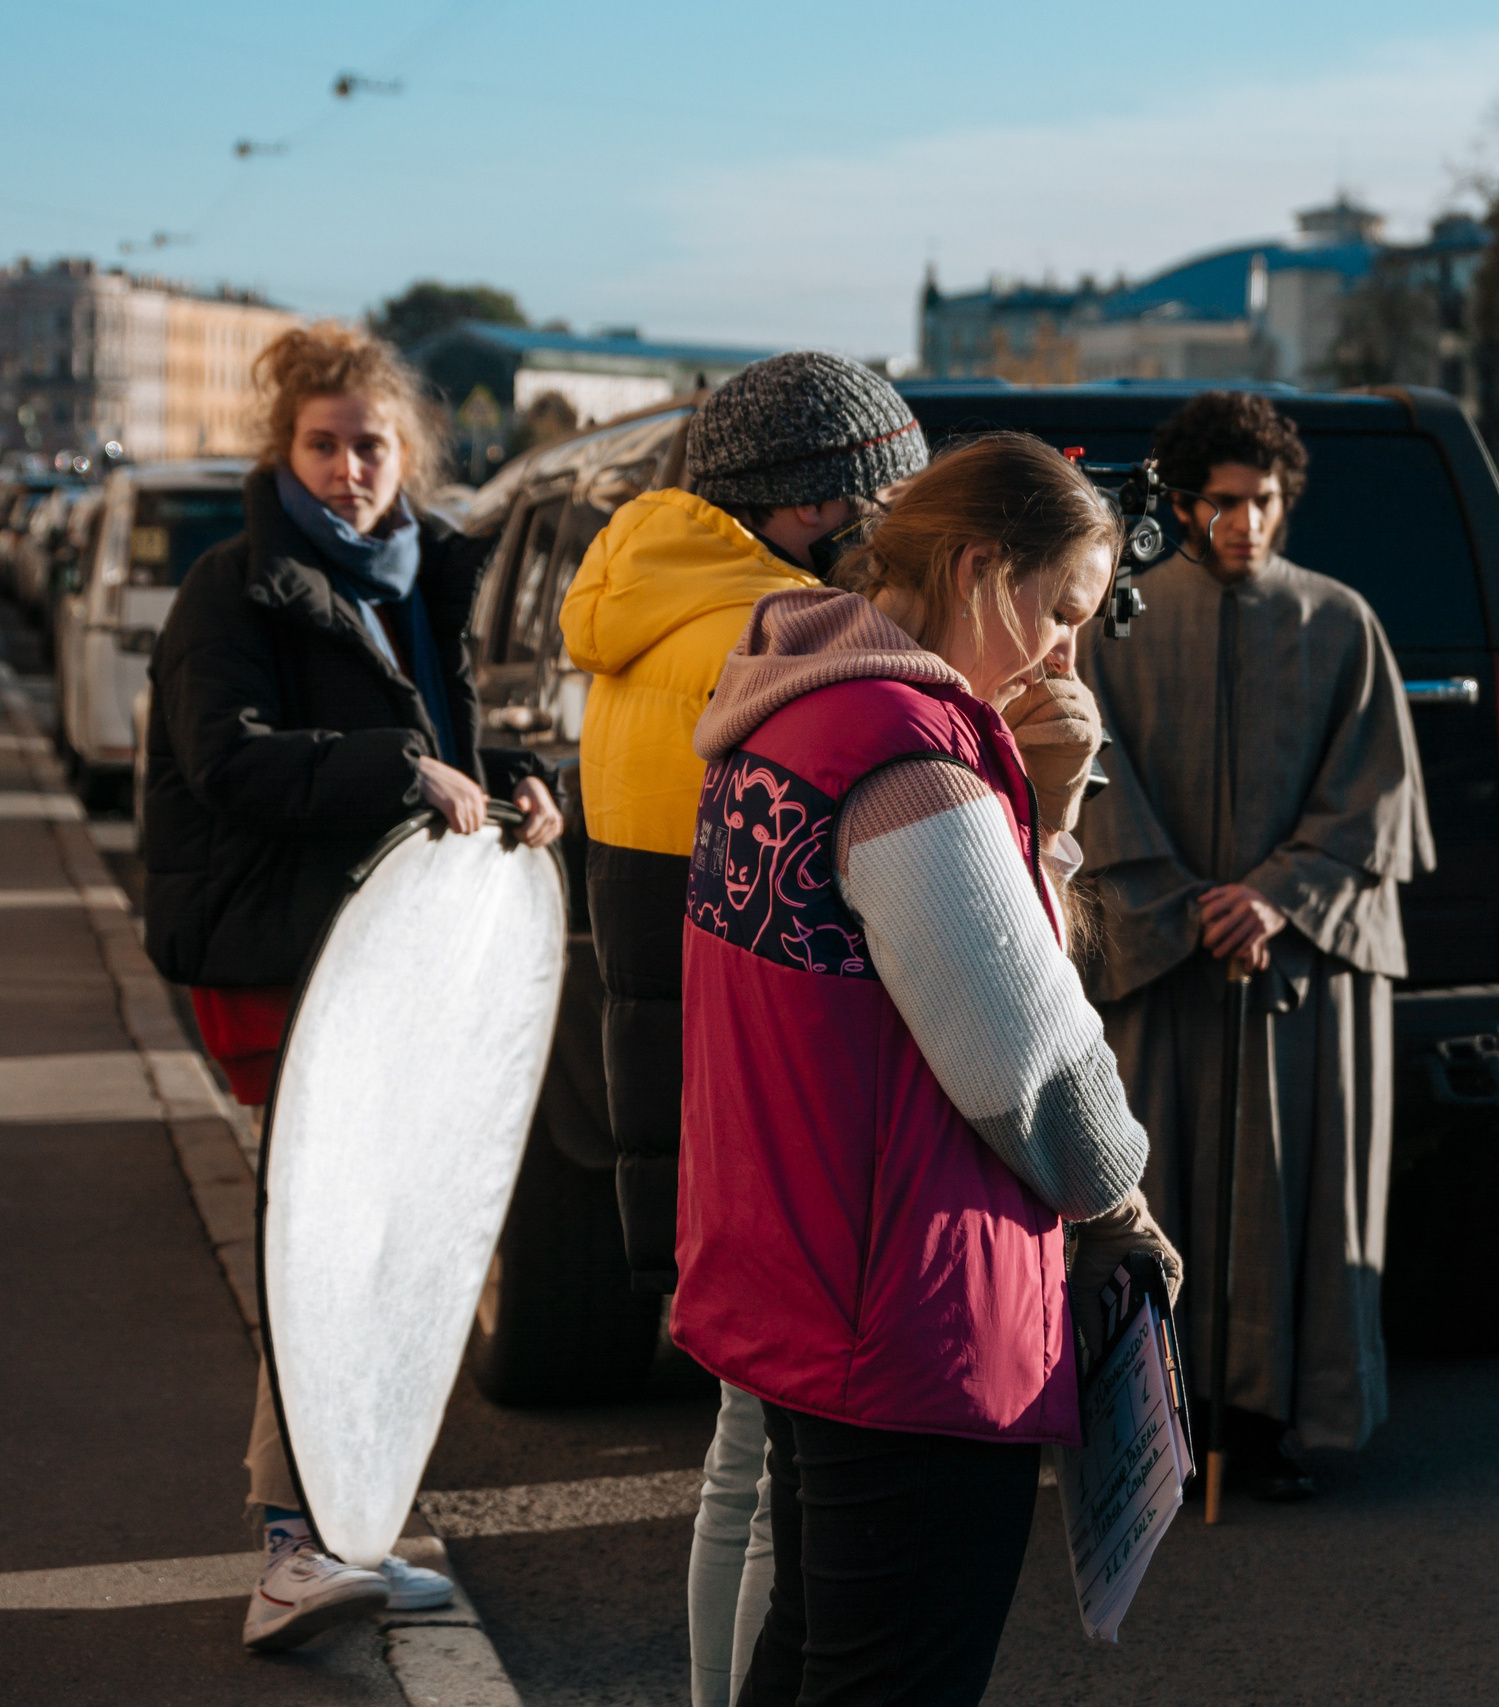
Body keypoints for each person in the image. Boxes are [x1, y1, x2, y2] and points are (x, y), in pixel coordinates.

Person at [671, 432, 1180, 1707]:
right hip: (908, 1306)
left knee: (816, 1653)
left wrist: (1045, 814)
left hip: (804, 1266)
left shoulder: (788, 706)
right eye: (1060, 610)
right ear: (975, 569)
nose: (1069, 650)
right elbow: (1031, 1053)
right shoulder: (905, 758)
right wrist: (1117, 1198)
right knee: (892, 1671)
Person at [140, 321, 564, 1651]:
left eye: (369, 443)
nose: (346, 469)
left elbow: (472, 738)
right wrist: (398, 767)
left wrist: (524, 797)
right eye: (320, 445)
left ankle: (340, 1532)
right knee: (328, 1227)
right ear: (285, 448)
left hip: (392, 947)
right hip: (275, 946)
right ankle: (292, 1542)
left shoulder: (433, 569)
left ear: (407, 451)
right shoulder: (236, 585)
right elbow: (226, 761)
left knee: (380, 1231)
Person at [558, 350, 926, 1707]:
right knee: (782, 1489)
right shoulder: (782, 634)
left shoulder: (650, 601)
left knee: (735, 1458)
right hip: (775, 1104)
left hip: (679, 1090)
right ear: (811, 504)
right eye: (885, 497)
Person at [1077, 390, 1431, 1501]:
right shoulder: (1112, 623)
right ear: (1182, 505)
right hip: (1157, 970)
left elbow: (1377, 801)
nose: (1245, 522)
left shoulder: (1341, 621)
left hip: (1295, 971)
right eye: (1223, 503)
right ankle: (1150, 1438)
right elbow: (1087, 779)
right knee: (1151, 1194)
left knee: (1297, 1199)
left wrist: (1273, 898)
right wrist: (1185, 904)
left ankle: (1276, 1429)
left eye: (1263, 501)